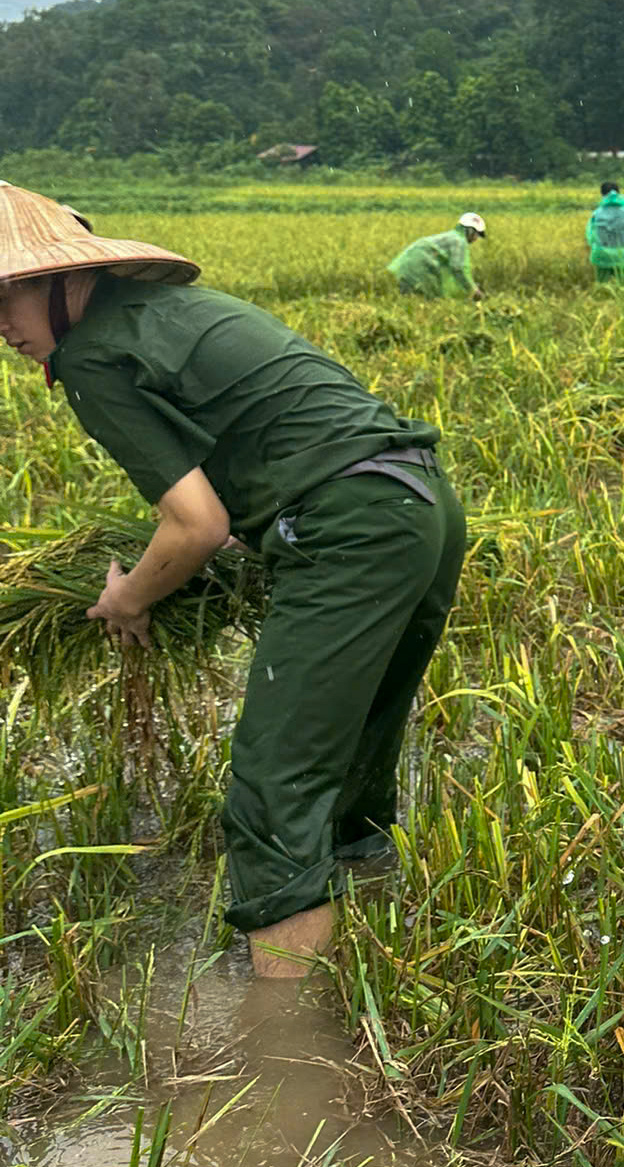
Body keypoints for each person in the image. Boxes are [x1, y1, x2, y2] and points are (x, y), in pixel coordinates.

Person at [0, 181, 467, 978]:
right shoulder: (165, 315)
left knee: (271, 788)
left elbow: (196, 525)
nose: (1, 328)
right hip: (419, 506)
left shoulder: (90, 357)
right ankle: (372, 948)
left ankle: (289, 1054)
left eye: (3, 300)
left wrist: (131, 595)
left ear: (56, 278)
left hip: (347, 526)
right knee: (353, 757)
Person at [388, 211, 485, 301]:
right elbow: (458, 268)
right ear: (471, 231)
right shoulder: (458, 241)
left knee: (409, 299)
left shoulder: (452, 236)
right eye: (478, 234)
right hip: (420, 267)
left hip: (410, 264)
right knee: (427, 299)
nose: (476, 238)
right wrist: (473, 289)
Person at [586, 182, 624, 283]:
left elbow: (591, 236)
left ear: (602, 194)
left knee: (602, 285)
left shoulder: (597, 214)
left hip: (602, 255)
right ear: (619, 193)